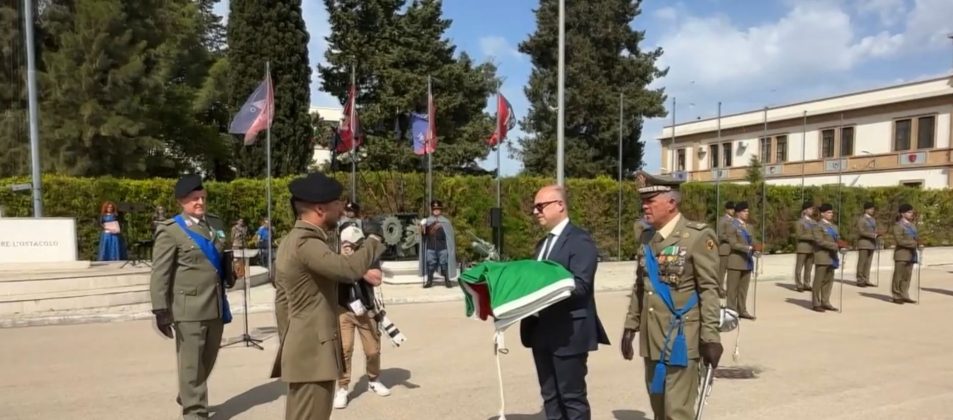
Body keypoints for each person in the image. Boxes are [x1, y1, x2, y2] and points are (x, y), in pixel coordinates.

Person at [270, 172, 386, 420]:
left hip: (305, 349)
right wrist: (374, 241)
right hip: (312, 352)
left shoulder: (292, 240)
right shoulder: (306, 243)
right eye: (337, 204)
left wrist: (290, 341)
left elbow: (282, 302)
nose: (342, 210)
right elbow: (349, 270)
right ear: (320, 209)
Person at [621, 171, 722, 420]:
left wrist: (710, 337)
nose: (645, 206)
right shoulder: (647, 237)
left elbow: (709, 290)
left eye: (651, 200)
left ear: (671, 202)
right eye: (643, 201)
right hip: (651, 336)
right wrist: (631, 325)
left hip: (681, 339)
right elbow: (640, 286)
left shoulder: (698, 236)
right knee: (659, 407)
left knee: (677, 412)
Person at [520, 184, 609, 420]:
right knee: (550, 396)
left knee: (572, 398)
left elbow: (580, 286)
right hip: (541, 332)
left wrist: (541, 292)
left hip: (569, 332)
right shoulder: (542, 245)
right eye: (534, 207)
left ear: (559, 205)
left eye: (541, 206)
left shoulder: (579, 240)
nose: (536, 212)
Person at [149, 174, 235, 420]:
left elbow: (221, 255)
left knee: (208, 359)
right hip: (188, 308)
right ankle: (194, 412)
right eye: (194, 199)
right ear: (181, 202)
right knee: (191, 363)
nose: (199, 202)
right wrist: (160, 310)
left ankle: (188, 392)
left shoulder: (215, 225)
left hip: (216, 305)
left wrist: (229, 271)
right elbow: (160, 273)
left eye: (202, 197)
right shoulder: (171, 231)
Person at [333, 225, 391, 409]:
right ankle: (342, 387)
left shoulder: (369, 254)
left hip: (366, 309)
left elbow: (376, 279)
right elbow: (331, 275)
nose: (350, 246)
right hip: (343, 309)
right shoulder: (334, 254)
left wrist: (357, 265)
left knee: (372, 350)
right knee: (344, 349)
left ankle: (374, 379)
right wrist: (343, 259)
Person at [725, 201, 761, 320]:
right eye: (745, 211)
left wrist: (756, 248)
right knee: (732, 289)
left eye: (747, 211)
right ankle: (731, 311)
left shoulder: (749, 226)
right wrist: (748, 248)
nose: (747, 213)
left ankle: (742, 310)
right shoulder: (731, 226)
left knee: (743, 289)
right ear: (738, 213)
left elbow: (753, 241)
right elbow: (733, 244)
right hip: (735, 261)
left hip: (747, 262)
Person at [811, 203, 847, 312]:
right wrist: (836, 246)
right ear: (822, 214)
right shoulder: (818, 226)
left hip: (832, 257)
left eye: (831, 212)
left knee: (829, 281)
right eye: (828, 212)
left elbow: (837, 239)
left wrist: (842, 246)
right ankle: (816, 303)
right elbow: (820, 241)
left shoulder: (834, 226)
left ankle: (825, 301)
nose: (831, 214)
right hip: (822, 257)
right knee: (818, 281)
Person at [418, 200, 457, 288]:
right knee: (430, 264)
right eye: (434, 209)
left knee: (444, 264)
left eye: (438, 209)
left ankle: (447, 280)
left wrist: (441, 226)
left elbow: (449, 236)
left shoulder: (446, 222)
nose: (436, 210)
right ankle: (429, 281)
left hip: (442, 247)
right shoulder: (428, 221)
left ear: (440, 210)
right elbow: (424, 235)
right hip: (430, 247)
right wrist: (422, 226)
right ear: (432, 210)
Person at [891, 203, 920, 304]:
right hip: (901, 255)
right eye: (909, 212)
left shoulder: (912, 225)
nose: (911, 214)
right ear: (903, 214)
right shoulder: (898, 226)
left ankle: (904, 294)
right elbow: (900, 241)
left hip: (911, 255)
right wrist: (914, 243)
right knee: (898, 276)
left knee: (907, 276)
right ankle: (896, 295)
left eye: (912, 212)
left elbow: (916, 237)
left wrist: (920, 242)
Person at [854, 202, 879, 288]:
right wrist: (873, 235)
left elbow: (875, 229)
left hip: (872, 243)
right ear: (866, 209)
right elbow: (861, 231)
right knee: (862, 262)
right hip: (864, 243)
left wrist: (878, 234)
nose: (872, 210)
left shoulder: (873, 219)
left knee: (868, 263)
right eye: (871, 209)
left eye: (873, 209)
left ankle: (866, 279)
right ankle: (860, 279)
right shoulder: (862, 219)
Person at [794, 202, 816, 292]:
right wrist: (812, 237)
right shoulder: (800, 222)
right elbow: (799, 235)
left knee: (809, 268)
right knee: (799, 267)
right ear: (805, 210)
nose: (812, 211)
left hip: (812, 248)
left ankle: (807, 284)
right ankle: (799, 284)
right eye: (810, 209)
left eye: (812, 209)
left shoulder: (814, 222)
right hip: (803, 247)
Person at [716, 201, 735, 299]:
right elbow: (720, 235)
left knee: (731, 271)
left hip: (733, 250)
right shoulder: (722, 220)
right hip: (724, 249)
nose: (733, 211)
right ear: (726, 209)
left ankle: (729, 290)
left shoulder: (734, 220)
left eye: (733, 209)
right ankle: (719, 289)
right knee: (721, 272)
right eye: (731, 209)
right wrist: (731, 239)